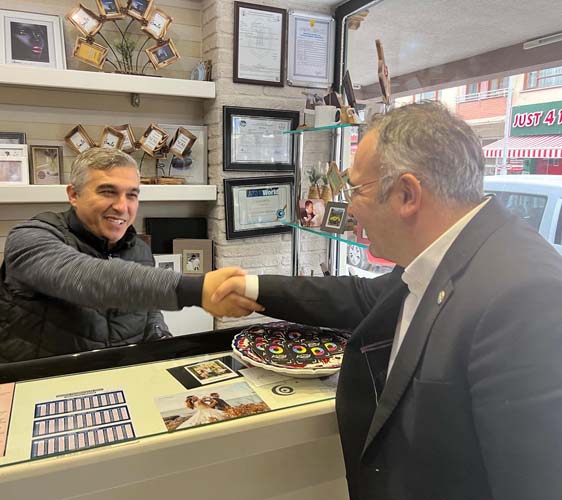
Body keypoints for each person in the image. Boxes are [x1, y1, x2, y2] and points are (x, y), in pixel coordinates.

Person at [212, 102, 562, 500]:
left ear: (407, 194)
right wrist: (251, 287)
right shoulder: (439, 257)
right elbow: (361, 297)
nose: (349, 208)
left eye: (357, 190)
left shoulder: (527, 297)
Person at [0, 148, 263, 363]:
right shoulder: (30, 237)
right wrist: (197, 290)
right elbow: (85, 278)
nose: (122, 207)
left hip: (120, 383)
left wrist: (165, 349)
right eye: (107, 192)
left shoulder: (139, 249)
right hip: (38, 389)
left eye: (132, 195)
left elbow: (149, 315)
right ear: (73, 195)